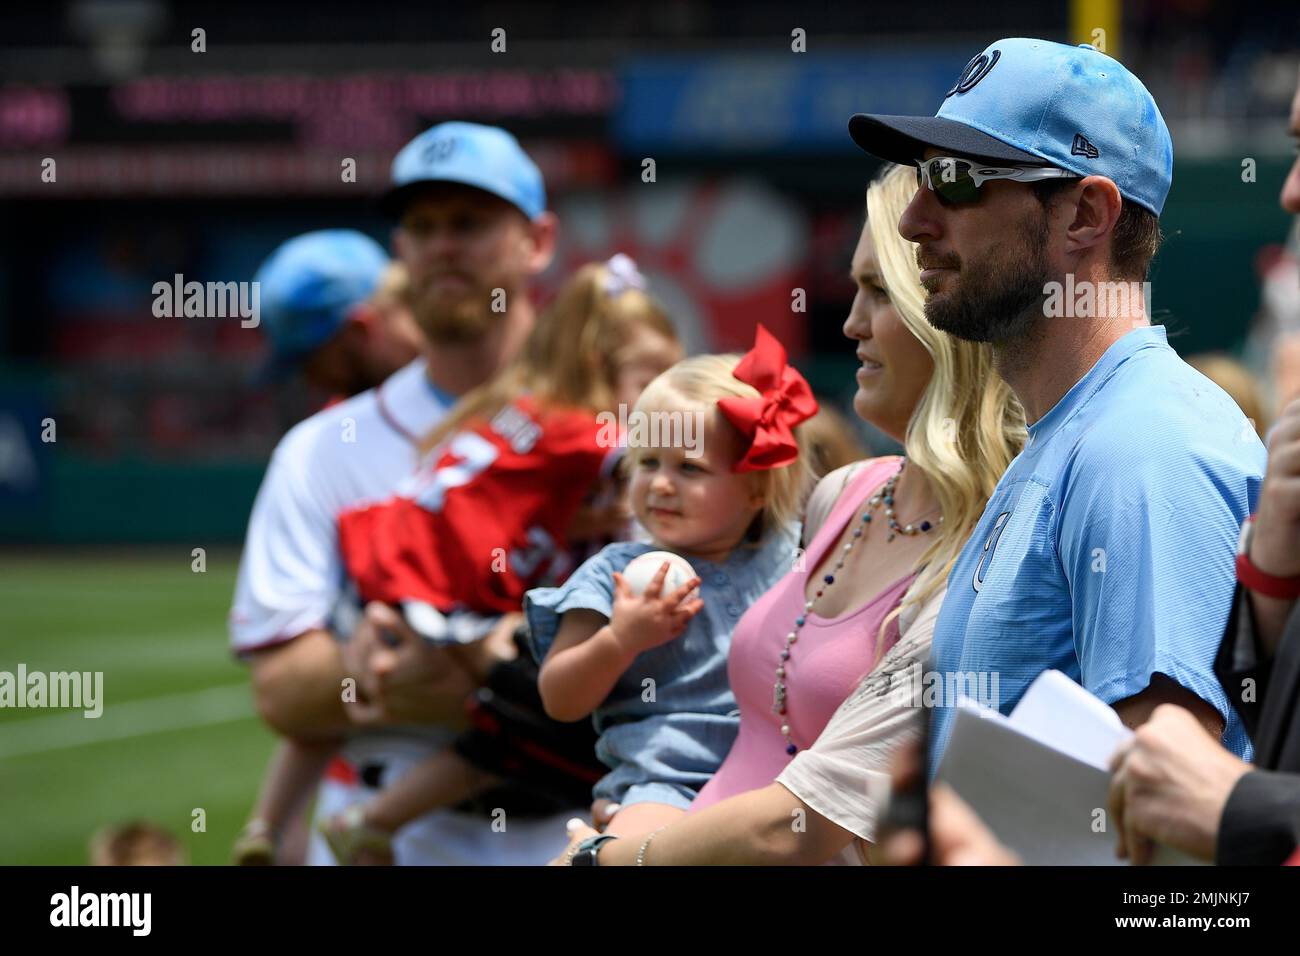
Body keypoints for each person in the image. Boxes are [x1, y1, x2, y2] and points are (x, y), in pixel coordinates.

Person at [553, 163, 1024, 865]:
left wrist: (613, 858)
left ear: (952, 314)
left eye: (878, 292)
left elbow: (807, 821)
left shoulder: (997, 547)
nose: (851, 323)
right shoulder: (847, 494)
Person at [848, 37, 1267, 780]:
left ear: (1085, 215)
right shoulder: (1074, 433)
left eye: (955, 179)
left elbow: (1167, 840)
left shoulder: (1143, 446)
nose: (914, 217)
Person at [243, 256, 681, 864]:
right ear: (597, 370)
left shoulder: (522, 410)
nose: (660, 394)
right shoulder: (587, 429)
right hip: (436, 587)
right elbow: (641, 454)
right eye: (650, 378)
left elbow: (518, 501)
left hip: (389, 563)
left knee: (506, 696)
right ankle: (374, 821)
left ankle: (267, 823)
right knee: (520, 699)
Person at [230, 122, 570, 866]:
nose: (443, 244)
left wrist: (462, 664)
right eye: (421, 225)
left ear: (538, 241)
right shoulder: (320, 449)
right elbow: (282, 693)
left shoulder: (618, 420)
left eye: (471, 221)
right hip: (382, 837)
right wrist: (522, 679)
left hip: (575, 831)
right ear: (400, 252)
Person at [528, 327, 818, 848]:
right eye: (646, 463)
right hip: (667, 783)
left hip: (785, 779)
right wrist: (621, 639)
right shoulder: (614, 573)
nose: (660, 484)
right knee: (632, 856)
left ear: (756, 487)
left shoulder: (794, 555)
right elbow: (560, 697)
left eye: (689, 468)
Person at [254, 230, 422, 398]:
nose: (312, 382)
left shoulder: (445, 389)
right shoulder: (345, 417)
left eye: (311, 364)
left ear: (360, 329)